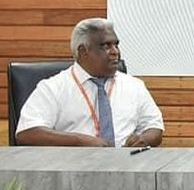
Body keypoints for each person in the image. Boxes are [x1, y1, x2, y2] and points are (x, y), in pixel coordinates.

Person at [16, 18, 164, 147]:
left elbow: (154, 127)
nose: (115, 52)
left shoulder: (134, 86)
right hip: (73, 165)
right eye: (106, 46)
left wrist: (144, 139)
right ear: (83, 51)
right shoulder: (54, 88)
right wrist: (79, 141)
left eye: (116, 45)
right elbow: (27, 133)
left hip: (127, 163)